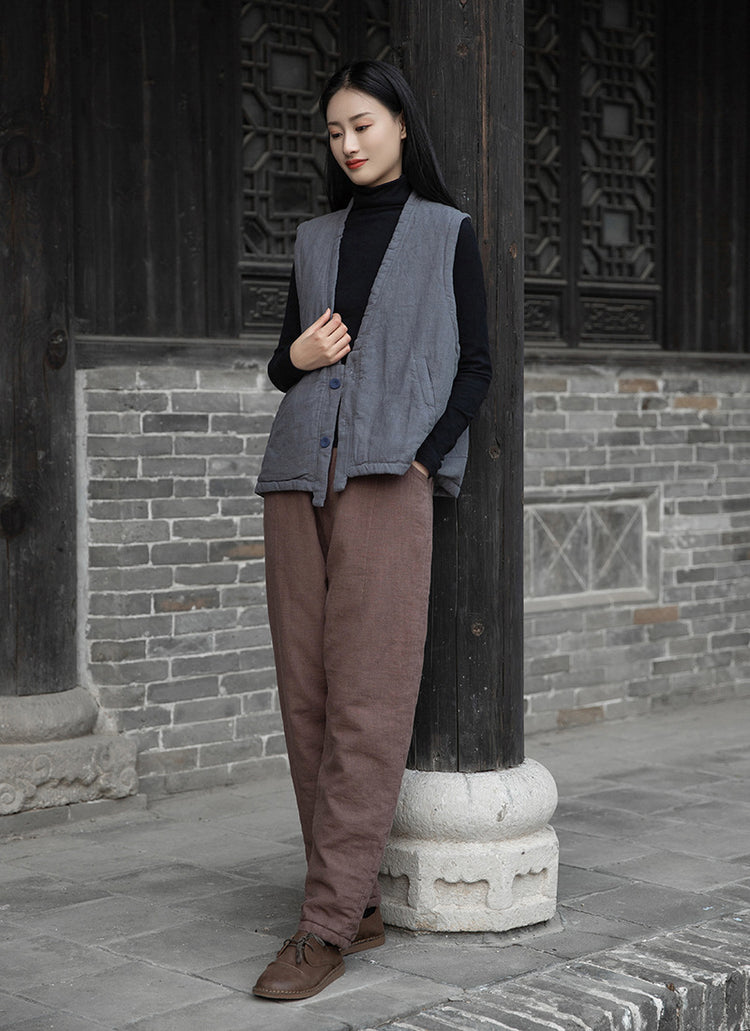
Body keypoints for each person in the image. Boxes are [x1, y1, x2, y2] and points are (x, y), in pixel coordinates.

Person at [252, 59, 492, 1001]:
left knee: (369, 697)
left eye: (361, 125)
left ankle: (322, 925)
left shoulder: (446, 232)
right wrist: (297, 352)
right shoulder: (315, 238)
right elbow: (287, 365)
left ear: (399, 124)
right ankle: (351, 905)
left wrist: (425, 458)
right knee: (305, 696)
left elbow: (477, 366)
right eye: (334, 132)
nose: (347, 144)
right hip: (294, 475)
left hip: (389, 480)